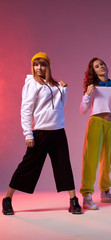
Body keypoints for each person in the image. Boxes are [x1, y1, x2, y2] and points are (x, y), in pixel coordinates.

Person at [2, 52, 82, 215]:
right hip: (40, 133)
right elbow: (26, 110)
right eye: (36, 65)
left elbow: (60, 106)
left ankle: (73, 201)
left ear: (48, 66)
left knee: (64, 165)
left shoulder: (54, 84)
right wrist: (28, 134)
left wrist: (64, 91)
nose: (39, 68)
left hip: (58, 131)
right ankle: (7, 199)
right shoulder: (31, 84)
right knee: (28, 166)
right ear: (32, 67)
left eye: (43, 64)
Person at [79, 57, 111, 210]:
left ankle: (105, 192)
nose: (101, 66)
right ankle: (87, 195)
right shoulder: (93, 87)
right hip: (96, 123)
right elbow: (83, 110)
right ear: (93, 71)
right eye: (96, 66)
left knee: (107, 160)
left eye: (102, 64)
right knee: (91, 160)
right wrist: (87, 94)